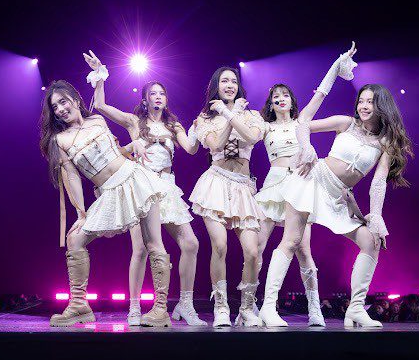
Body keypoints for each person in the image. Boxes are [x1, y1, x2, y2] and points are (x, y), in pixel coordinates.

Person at [259, 82, 413, 328]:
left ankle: (355, 309)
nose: (364, 106)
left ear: (382, 105)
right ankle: (268, 308)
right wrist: (307, 148)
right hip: (311, 179)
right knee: (292, 241)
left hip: (339, 196)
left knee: (371, 241)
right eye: (361, 101)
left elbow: (378, 182)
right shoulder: (346, 123)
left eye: (370, 101)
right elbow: (302, 125)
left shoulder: (386, 142)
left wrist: (375, 217)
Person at [84, 52, 205, 326]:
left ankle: (185, 304)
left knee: (191, 243)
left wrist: (198, 129)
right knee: (140, 249)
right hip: (142, 187)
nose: (158, 97)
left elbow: (190, 149)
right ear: (145, 99)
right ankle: (135, 307)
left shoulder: (173, 125)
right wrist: (100, 75)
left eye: (162, 94)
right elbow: (100, 105)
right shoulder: (134, 122)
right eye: (153, 94)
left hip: (167, 186)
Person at [40, 74, 171, 327]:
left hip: (135, 179)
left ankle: (160, 310)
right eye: (55, 107)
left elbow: (115, 151)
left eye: (63, 102)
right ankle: (79, 306)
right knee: (75, 239)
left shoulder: (97, 120)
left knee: (153, 243)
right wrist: (81, 213)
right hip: (109, 191)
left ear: (75, 99)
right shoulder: (60, 139)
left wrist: (133, 145)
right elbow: (72, 177)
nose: (61, 109)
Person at [255, 43, 357, 326]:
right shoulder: (264, 126)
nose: (281, 99)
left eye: (285, 95)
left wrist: (337, 65)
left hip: (299, 183)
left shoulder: (302, 121)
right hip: (273, 185)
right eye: (276, 96)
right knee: (257, 246)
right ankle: (251, 306)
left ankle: (315, 307)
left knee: (302, 249)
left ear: (291, 100)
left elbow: (321, 92)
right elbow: (244, 133)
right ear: (270, 103)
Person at [190, 67, 266, 327]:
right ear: (216, 85)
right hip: (216, 183)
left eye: (233, 81)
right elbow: (215, 145)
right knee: (220, 246)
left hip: (243, 186)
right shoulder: (205, 118)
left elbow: (252, 137)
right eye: (224, 81)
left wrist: (231, 114)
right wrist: (225, 113)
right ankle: (221, 307)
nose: (230, 85)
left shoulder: (252, 115)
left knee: (252, 252)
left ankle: (246, 308)